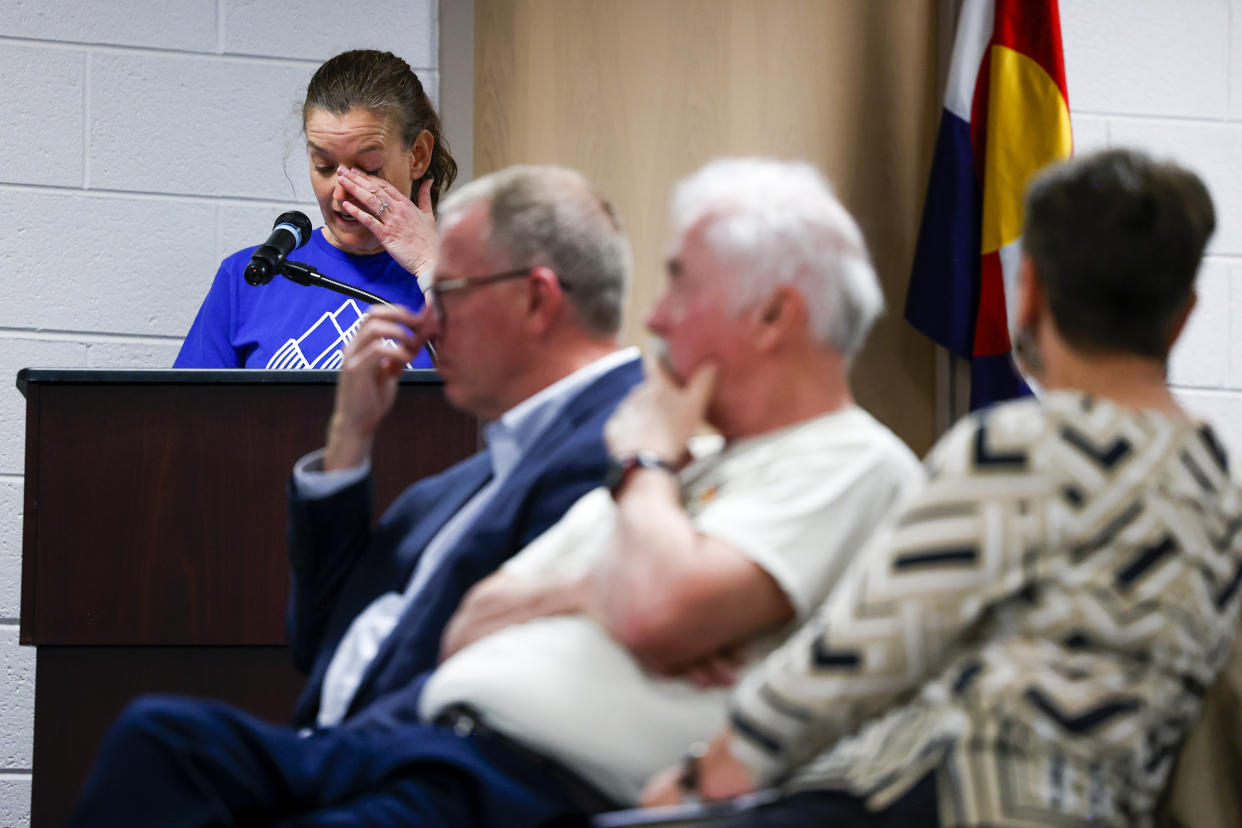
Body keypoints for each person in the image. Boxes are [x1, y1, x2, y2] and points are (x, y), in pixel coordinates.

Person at [69, 157, 923, 827]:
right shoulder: (686, 467)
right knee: (162, 739)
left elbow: (657, 611)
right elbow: (476, 614)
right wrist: (605, 591)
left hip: (518, 774)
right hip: (426, 739)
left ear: (773, 317)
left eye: (682, 288)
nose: (654, 319)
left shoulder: (719, 457)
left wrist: (635, 522)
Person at [638, 148, 1242, 828]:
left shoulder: (1024, 448)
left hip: (944, 797)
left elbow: (856, 656)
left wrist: (702, 776)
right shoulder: (1220, 495)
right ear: (1184, 313)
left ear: (1031, 288)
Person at [69, 163, 643, 825]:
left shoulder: (625, 444)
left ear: (537, 301)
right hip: (345, 748)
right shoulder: (452, 490)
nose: (426, 322)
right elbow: (318, 644)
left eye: (447, 290)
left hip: (443, 772)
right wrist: (349, 438)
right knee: (160, 736)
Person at [174, 49, 453, 369]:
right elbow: (186, 415)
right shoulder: (248, 277)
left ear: (417, 155)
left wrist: (432, 267)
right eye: (324, 166)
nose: (341, 192)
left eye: (368, 168)